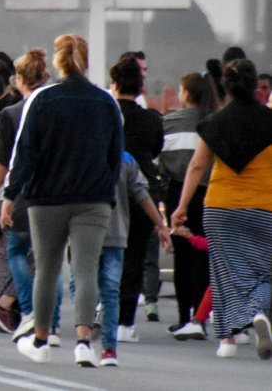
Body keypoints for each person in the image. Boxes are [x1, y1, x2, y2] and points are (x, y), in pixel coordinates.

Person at [4, 34, 120, 367]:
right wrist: (106, 192)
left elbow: (24, 152)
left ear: (58, 61)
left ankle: (41, 340)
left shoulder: (41, 100)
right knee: (85, 271)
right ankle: (83, 342)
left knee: (46, 269)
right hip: (93, 198)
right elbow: (115, 154)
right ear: (87, 59)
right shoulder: (105, 102)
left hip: (47, 198)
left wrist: (12, 194)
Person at [171, 59, 272, 360]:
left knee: (222, 269)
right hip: (264, 206)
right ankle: (258, 312)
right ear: (256, 86)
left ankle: (227, 340)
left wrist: (181, 206)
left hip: (219, 206)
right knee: (265, 270)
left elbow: (198, 165)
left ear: (224, 87)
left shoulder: (214, 123)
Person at [0, 49, 53, 336]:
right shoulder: (54, 108)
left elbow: (2, 162)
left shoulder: (10, 114)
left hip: (16, 189)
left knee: (12, 251)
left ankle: (9, 306)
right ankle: (18, 308)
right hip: (49, 188)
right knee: (41, 255)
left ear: (18, 80)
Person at [97, 152, 172, 367]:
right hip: (117, 229)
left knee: (90, 278)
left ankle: (84, 333)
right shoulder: (127, 158)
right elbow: (141, 192)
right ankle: (111, 343)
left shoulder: (79, 149)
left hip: (87, 230)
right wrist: (160, 224)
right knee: (113, 285)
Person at [111, 56, 166, 341]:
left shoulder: (105, 115)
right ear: (141, 87)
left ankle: (102, 308)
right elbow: (156, 150)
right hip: (142, 191)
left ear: (113, 82)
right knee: (134, 256)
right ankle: (125, 323)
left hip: (107, 189)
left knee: (106, 255)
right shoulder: (151, 119)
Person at [162, 73, 217, 340]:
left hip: (177, 192)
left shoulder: (169, 123)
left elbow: (159, 162)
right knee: (203, 255)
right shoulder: (212, 122)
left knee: (181, 256)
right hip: (208, 192)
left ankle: (184, 316)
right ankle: (200, 314)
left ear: (185, 94)